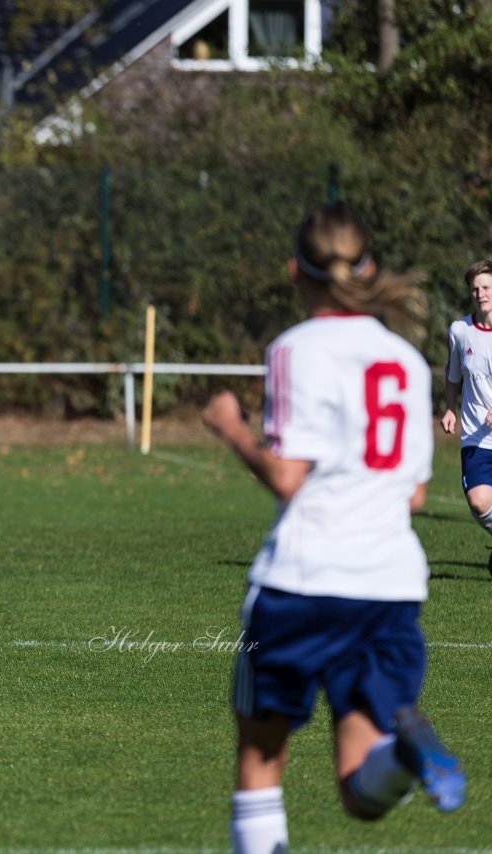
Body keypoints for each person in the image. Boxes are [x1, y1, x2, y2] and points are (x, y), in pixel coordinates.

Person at [201, 201, 464, 853]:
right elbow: (414, 493)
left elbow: (288, 477)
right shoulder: (403, 360)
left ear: (295, 271)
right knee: (359, 791)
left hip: (302, 583)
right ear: (368, 267)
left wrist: (231, 426)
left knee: (260, 765)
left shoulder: (294, 349)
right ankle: (404, 754)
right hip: (390, 587)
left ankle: (401, 753)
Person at [440, 259, 492, 573]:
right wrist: (448, 407)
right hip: (475, 433)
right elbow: (453, 374)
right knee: (479, 502)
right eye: (475, 288)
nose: (480, 294)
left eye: (486, 287)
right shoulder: (460, 331)